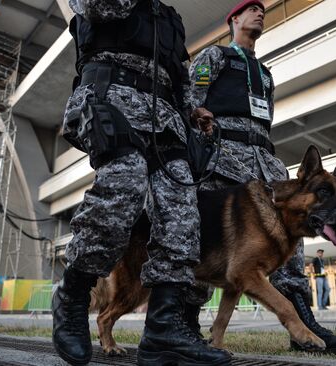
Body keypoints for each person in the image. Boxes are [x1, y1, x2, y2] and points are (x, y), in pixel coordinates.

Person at [52, 1, 231, 365]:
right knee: (124, 188)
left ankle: (163, 328)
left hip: (165, 120)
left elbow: (178, 74)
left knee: (182, 216)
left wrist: (192, 110)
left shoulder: (168, 16)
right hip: (111, 99)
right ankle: (72, 296)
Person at [186, 0, 336, 354]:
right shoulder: (215, 57)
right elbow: (193, 98)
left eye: (262, 10)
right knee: (204, 245)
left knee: (292, 246)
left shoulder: (265, 73)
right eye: (250, 9)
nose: (259, 13)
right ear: (234, 19)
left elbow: (262, 120)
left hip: (265, 163)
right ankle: (187, 329)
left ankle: (304, 327)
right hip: (223, 157)